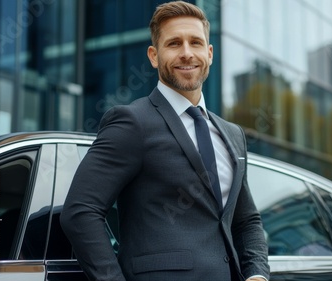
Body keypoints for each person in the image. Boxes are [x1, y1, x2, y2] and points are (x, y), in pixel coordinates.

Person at [59, 1, 270, 281]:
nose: (186, 53)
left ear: (209, 53)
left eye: (195, 43)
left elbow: (246, 221)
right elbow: (80, 211)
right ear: (154, 55)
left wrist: (257, 275)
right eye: (173, 44)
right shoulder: (131, 122)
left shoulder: (232, 134)